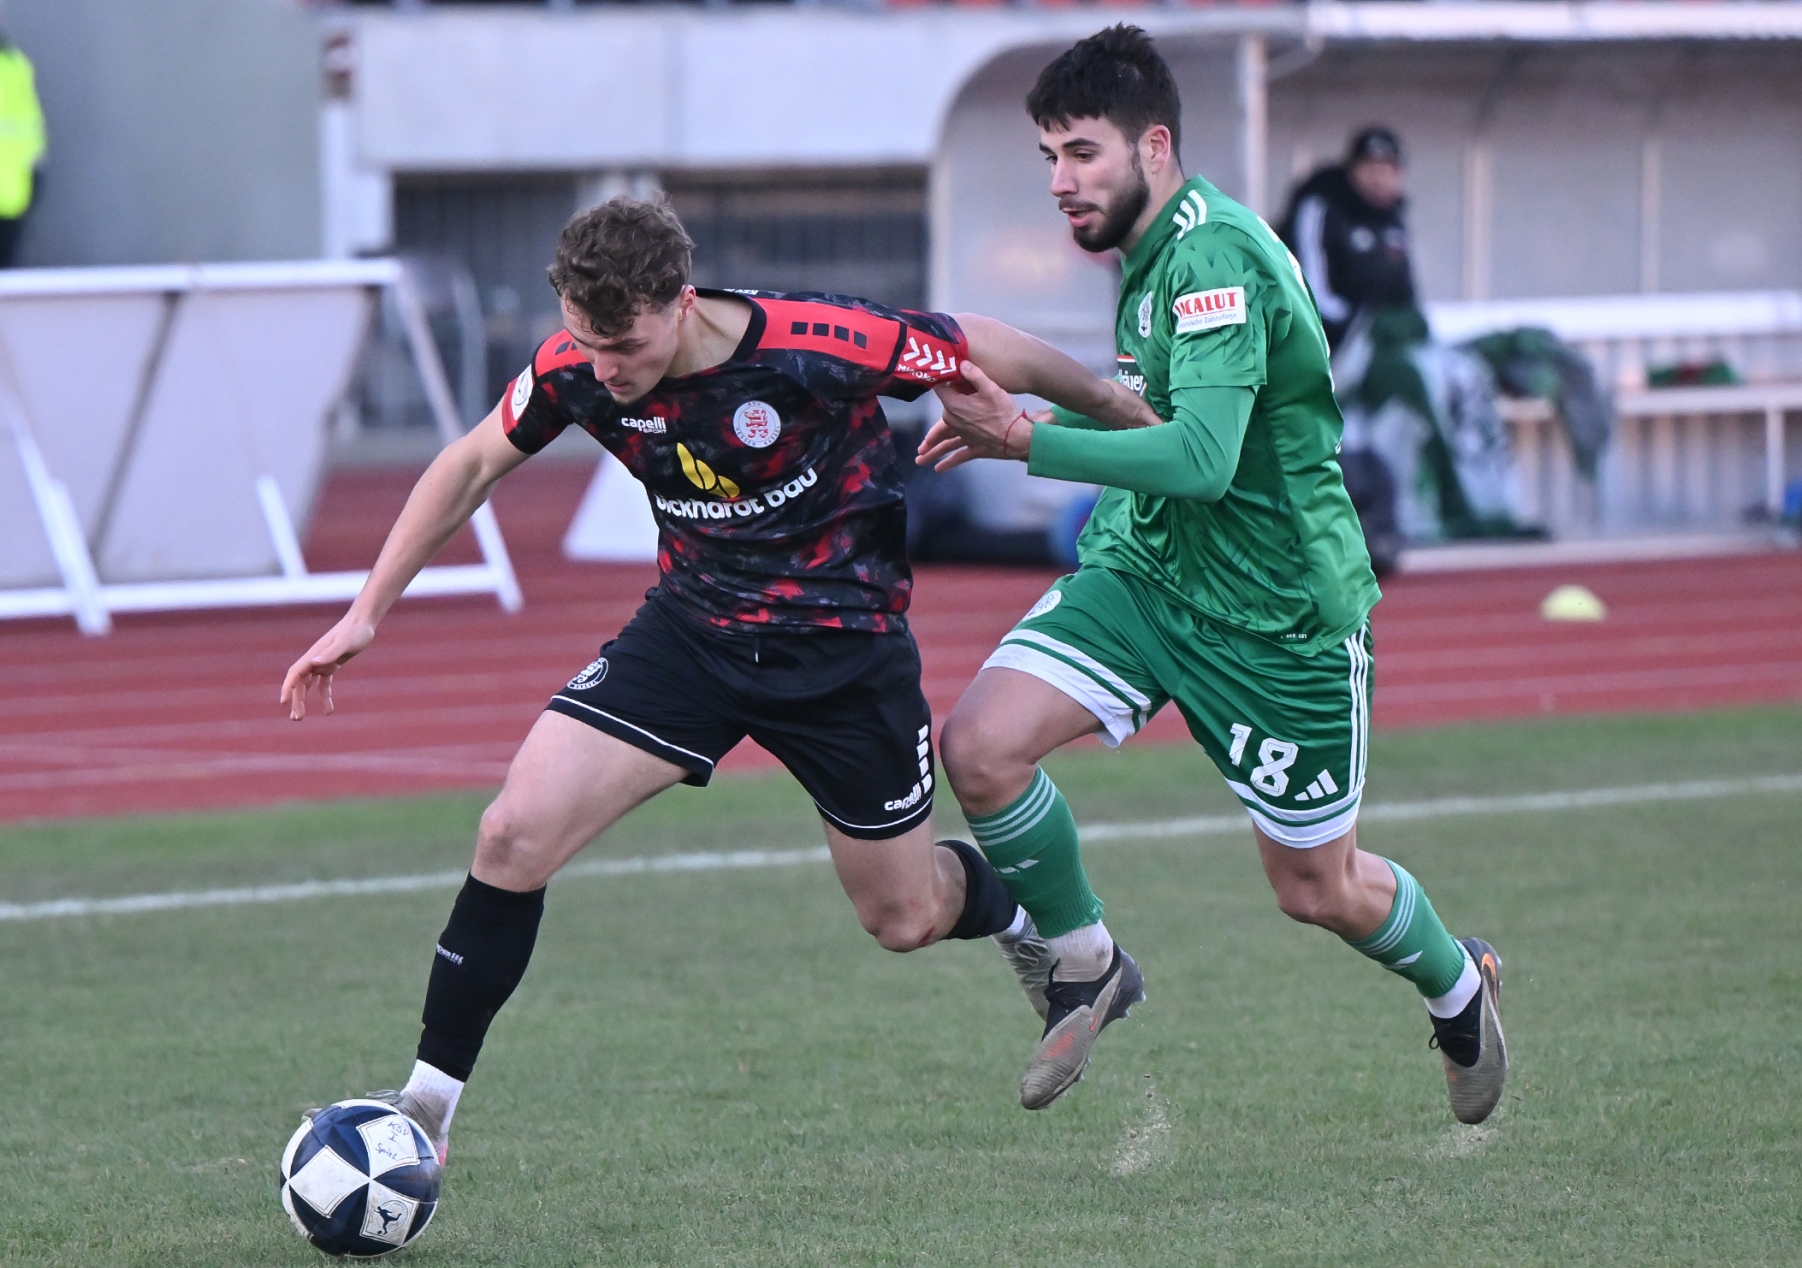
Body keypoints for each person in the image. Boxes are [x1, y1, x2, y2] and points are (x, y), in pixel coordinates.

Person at [282, 197, 1157, 1159]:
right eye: (587, 340)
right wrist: (367, 609)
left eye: (625, 343)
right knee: (512, 832)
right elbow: (469, 464)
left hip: (843, 656)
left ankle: (1024, 922)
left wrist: (1117, 410)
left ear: (683, 301)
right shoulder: (576, 367)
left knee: (904, 917)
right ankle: (427, 1107)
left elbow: (977, 341)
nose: (605, 368)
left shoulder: (814, 344)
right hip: (692, 637)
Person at [920, 26, 1509, 1121]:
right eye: (1049, 156)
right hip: (1148, 573)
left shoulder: (1213, 257)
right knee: (980, 746)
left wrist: (1025, 440)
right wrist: (1043, 405)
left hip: (1278, 617)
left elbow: (1201, 460)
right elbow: (1159, 427)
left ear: (1153, 146)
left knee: (1316, 887)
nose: (1059, 181)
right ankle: (1087, 961)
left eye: (1082, 153)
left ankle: (1457, 983)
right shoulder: (1148, 252)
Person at [1277, 126, 1415, 356]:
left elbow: (1405, 292)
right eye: (1371, 168)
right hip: (1316, 346)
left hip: (1374, 345)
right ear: (1352, 170)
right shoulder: (1319, 208)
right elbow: (1308, 292)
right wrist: (1363, 327)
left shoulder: (1393, 220)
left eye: (1388, 170)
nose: (1379, 179)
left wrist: (1409, 325)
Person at [0, 26, 43, 268]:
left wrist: (35, 173)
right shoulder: (14, 62)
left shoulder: (15, 63)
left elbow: (29, 126)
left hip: (12, 197)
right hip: (12, 194)